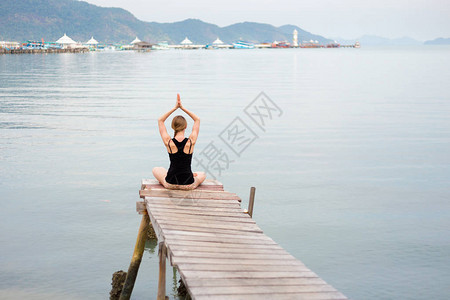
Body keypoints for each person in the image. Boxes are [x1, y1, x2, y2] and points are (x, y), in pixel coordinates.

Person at [152, 94, 206, 190]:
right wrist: (182, 108)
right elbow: (197, 119)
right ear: (185, 126)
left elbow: (160, 120)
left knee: (156, 169)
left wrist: (175, 108)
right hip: (188, 183)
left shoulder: (168, 142)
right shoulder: (191, 141)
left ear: (173, 127)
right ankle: (191, 177)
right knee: (202, 174)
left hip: (171, 183)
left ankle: (167, 182)